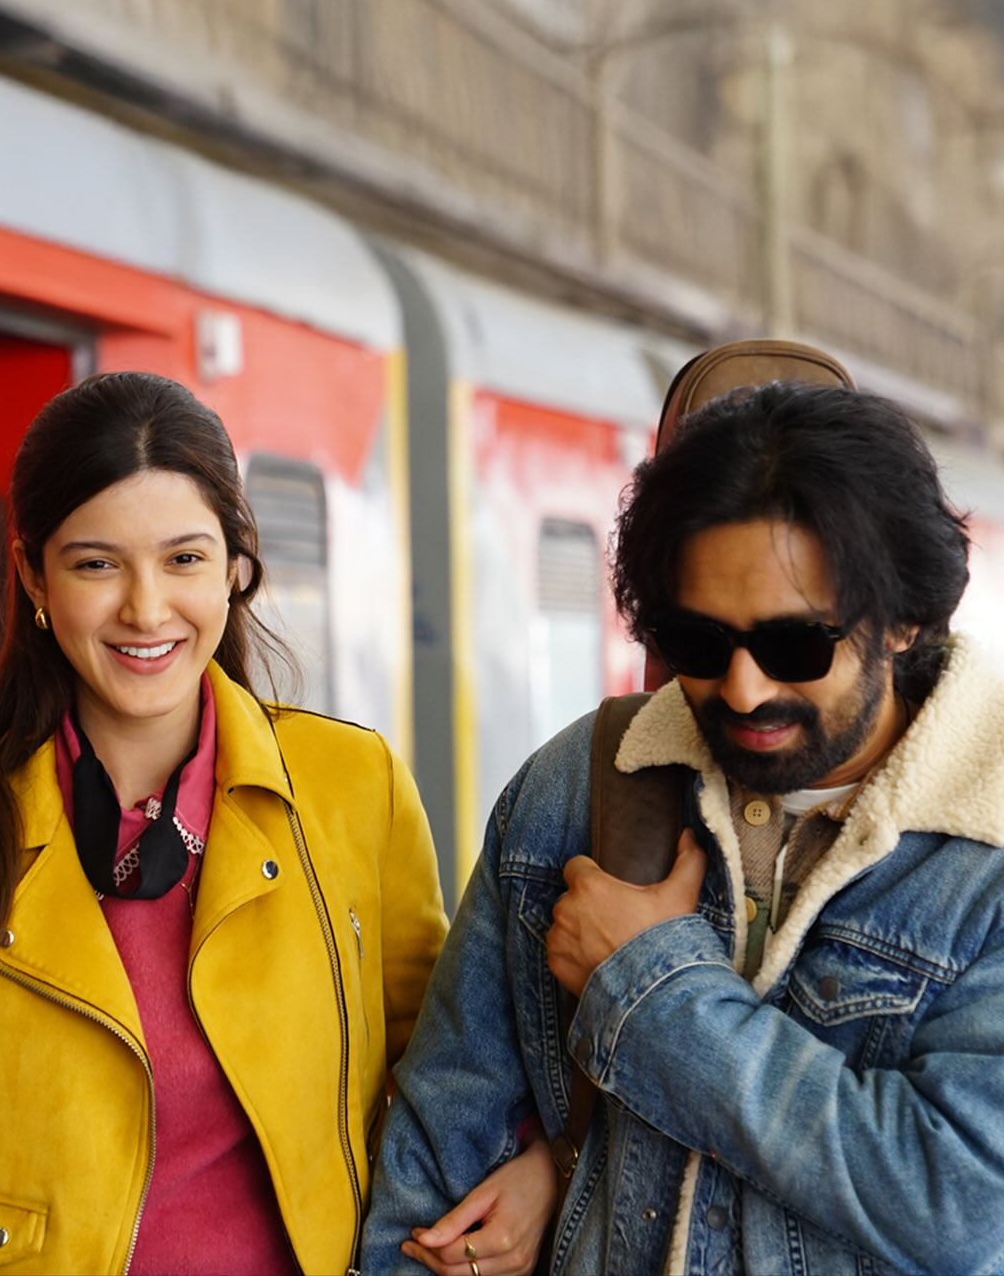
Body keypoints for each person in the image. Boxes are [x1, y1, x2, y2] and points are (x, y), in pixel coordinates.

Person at [363, 364, 1004, 1275]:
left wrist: (652, 988)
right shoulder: (583, 783)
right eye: (699, 643)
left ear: (903, 620)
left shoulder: (986, 845)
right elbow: (438, 1159)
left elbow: (960, 1204)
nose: (742, 689)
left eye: (793, 644)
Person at [0, 371, 550, 1275]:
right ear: (33, 577)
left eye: (183, 560)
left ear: (234, 569)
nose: (145, 609)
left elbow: (454, 1069)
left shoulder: (353, 788)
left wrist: (540, 1169)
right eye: (96, 564)